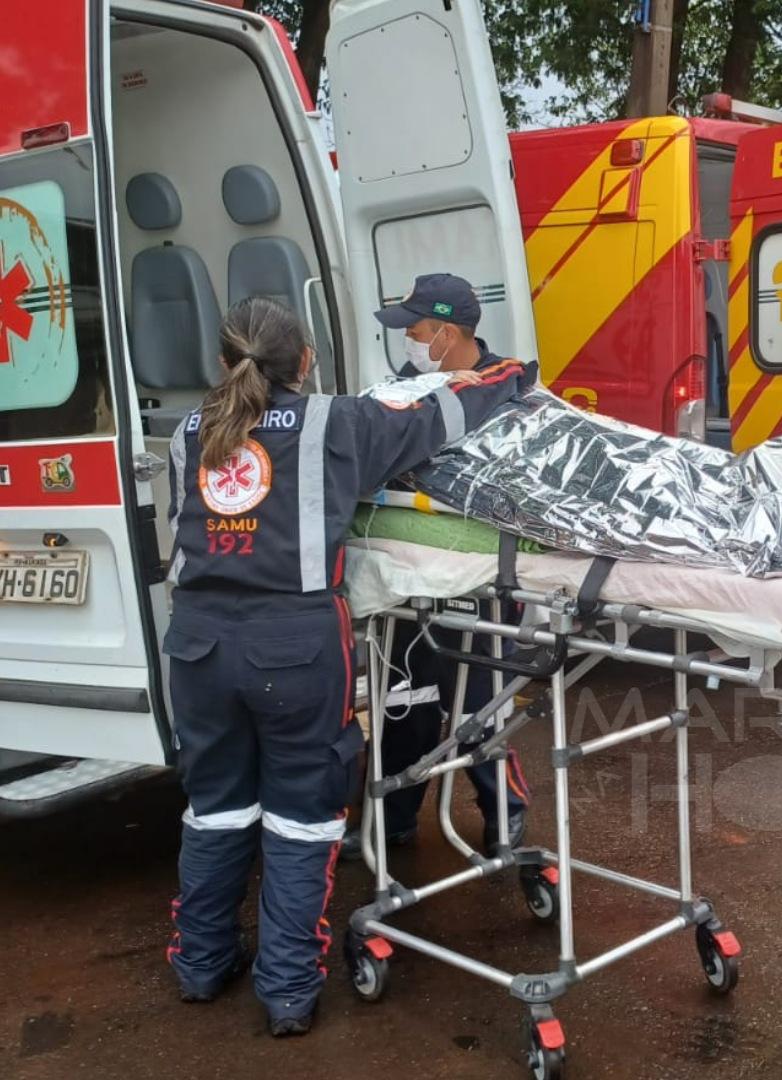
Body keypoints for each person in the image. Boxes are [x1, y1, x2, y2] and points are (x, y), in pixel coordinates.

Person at [163, 296, 532, 1036]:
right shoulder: (334, 424)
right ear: (303, 362)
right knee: (301, 819)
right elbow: (444, 417)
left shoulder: (188, 433)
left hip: (198, 646)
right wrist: (512, 375)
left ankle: (200, 965)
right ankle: (288, 992)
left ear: (225, 362)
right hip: (292, 648)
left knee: (215, 808)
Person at [340, 272, 534, 860]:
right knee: (406, 700)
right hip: (411, 575)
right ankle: (392, 820)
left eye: (416, 330)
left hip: (480, 578)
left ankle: (506, 817)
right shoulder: (404, 388)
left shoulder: (508, 385)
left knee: (480, 704)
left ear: (447, 333)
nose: (408, 342)